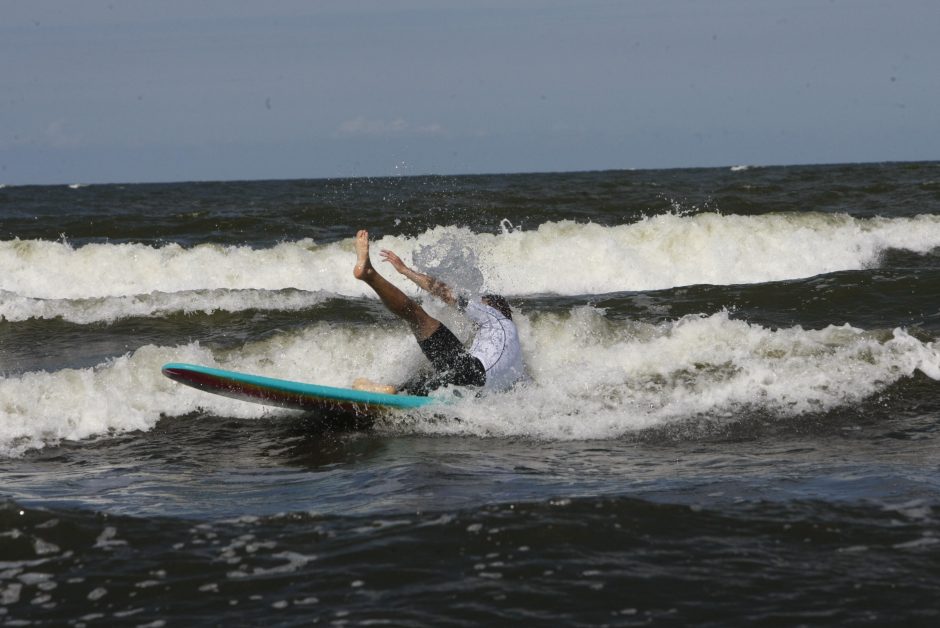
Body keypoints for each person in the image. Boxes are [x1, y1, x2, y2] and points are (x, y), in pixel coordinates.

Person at [352, 230, 525, 396]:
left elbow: (446, 293)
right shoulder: (517, 360)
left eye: (481, 301)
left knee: (417, 316)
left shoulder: (494, 317)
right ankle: (394, 391)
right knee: (427, 383)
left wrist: (405, 270)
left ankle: (369, 274)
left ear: (492, 306)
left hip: (473, 372)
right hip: (474, 391)